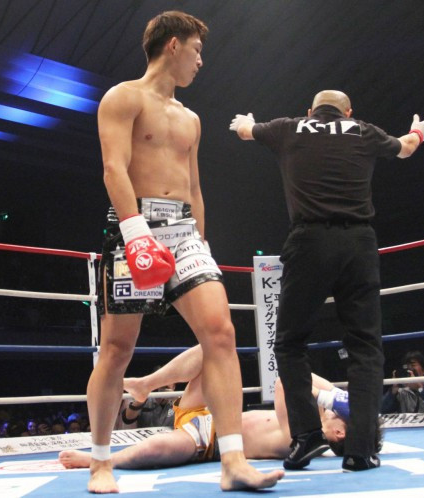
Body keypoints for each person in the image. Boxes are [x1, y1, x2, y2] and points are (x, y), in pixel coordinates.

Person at [88, 10, 283, 493]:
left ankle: (233, 461)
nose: (200, 61)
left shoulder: (191, 118)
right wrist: (135, 232)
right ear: (173, 45)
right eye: (196, 50)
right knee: (117, 349)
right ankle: (99, 463)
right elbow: (114, 168)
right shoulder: (123, 97)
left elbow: (194, 188)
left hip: (182, 231)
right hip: (133, 224)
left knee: (221, 332)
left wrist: (200, 241)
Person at [229, 90, 424, 471]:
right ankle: (361, 449)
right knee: (365, 347)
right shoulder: (362, 130)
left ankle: (307, 436)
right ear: (348, 112)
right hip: (358, 244)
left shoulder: (289, 128)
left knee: (290, 343)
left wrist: (246, 121)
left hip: (308, 241)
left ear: (310, 111)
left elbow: (246, 131)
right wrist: (418, 132)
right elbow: (407, 148)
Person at [60, 345, 382, 471]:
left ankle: (101, 460)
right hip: (208, 411)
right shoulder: (315, 422)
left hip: (209, 441)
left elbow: (286, 381)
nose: (332, 411)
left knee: (158, 448)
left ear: (339, 433)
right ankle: (146, 384)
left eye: (339, 415)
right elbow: (302, 377)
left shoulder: (302, 438)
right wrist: (339, 398)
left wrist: (331, 399)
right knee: (211, 349)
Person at [381, 350, 424, 414]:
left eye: (413, 365)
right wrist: (393, 391)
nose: (410, 370)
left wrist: (420, 389)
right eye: (407, 366)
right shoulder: (401, 389)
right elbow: (381, 410)